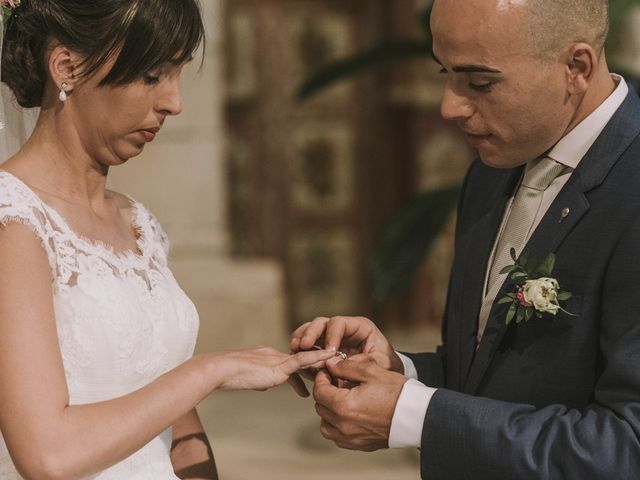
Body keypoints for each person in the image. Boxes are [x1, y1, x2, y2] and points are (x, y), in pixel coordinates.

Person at [291, 0, 640, 478]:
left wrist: (415, 417)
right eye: (445, 74)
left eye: (480, 83)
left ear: (575, 67)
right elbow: (489, 377)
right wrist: (398, 374)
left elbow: (627, 447)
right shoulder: (490, 174)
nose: (449, 106)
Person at [0, 1, 335, 479]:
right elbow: (48, 455)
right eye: (153, 75)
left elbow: (174, 420)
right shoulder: (13, 222)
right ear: (67, 67)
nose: (174, 103)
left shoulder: (138, 224)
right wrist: (209, 371)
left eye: (177, 75)